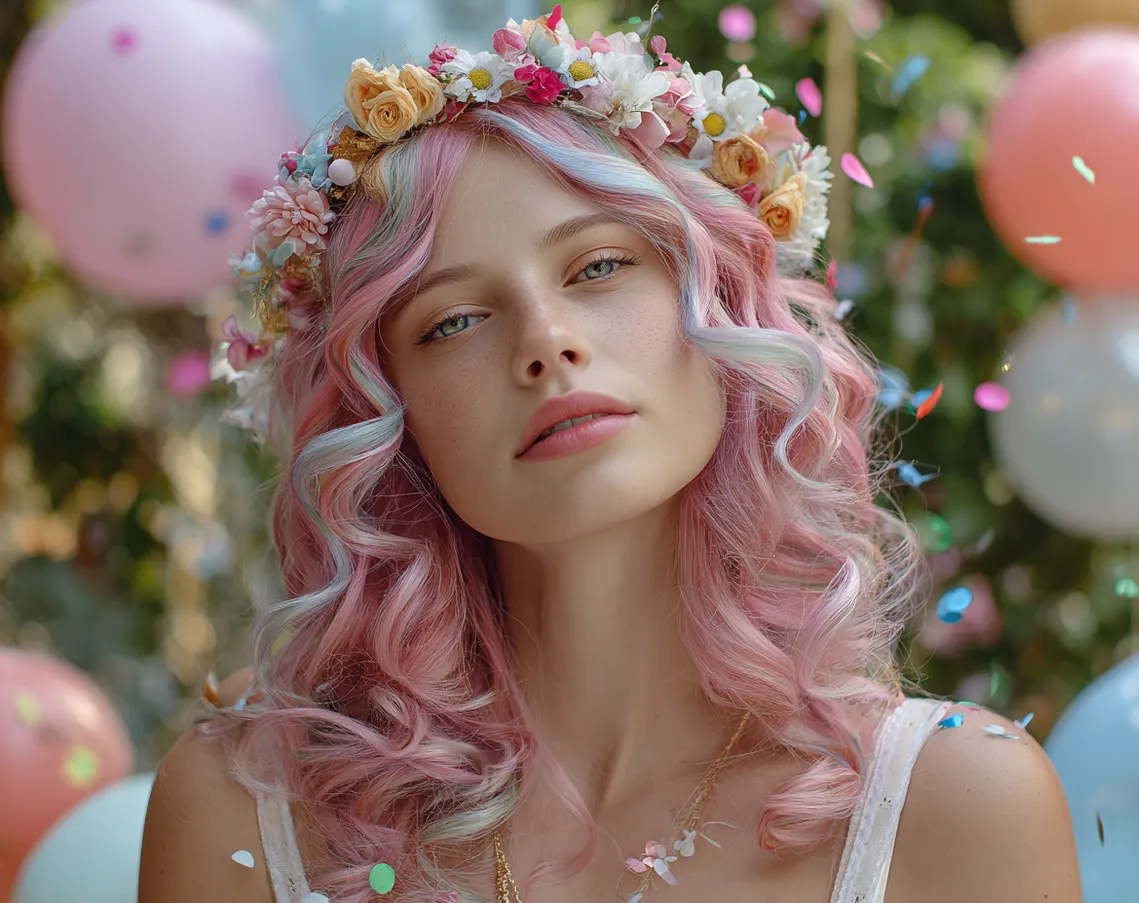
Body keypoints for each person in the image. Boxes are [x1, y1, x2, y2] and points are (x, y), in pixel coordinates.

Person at [139, 7, 1084, 903]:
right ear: (387, 416)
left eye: (598, 266)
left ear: (720, 305)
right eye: (453, 320)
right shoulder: (243, 810)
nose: (546, 342)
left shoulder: (958, 807)